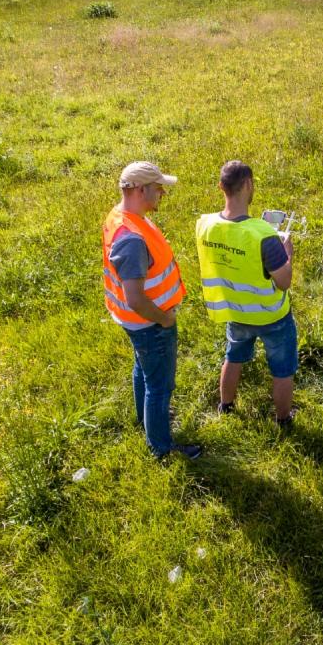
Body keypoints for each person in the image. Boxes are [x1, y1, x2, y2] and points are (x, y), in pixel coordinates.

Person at [102, 161, 202, 459]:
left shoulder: (123, 216)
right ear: (141, 189)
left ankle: (144, 420)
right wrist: (165, 318)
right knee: (159, 386)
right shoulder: (131, 238)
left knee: (143, 371)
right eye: (158, 189)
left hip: (137, 323)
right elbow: (135, 298)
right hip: (150, 323)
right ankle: (162, 448)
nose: (161, 194)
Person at [195, 160, 298, 427]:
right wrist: (287, 254)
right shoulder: (263, 234)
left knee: (234, 356)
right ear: (249, 185)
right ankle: (283, 420)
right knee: (282, 369)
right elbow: (284, 281)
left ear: (221, 187)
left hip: (235, 310)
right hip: (271, 315)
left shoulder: (205, 225)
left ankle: (225, 406)